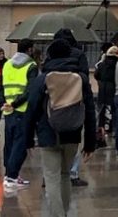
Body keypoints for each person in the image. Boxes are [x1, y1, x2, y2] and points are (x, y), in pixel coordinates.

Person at [24, 39, 96, 217]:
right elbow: (90, 111)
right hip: (72, 134)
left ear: (50, 55)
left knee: (51, 177)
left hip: (48, 135)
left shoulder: (42, 80)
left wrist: (27, 139)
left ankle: (58, 215)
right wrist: (90, 143)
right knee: (65, 175)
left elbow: (31, 110)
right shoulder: (81, 79)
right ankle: (64, 211)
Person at [52, 29, 89, 187]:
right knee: (74, 140)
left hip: (54, 102)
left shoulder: (52, 54)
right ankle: (72, 174)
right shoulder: (79, 55)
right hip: (74, 101)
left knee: (53, 141)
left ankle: (51, 175)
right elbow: (85, 77)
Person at [0, 38, 37, 190]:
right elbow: (30, 90)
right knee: (19, 145)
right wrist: (15, 104)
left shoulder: (7, 64)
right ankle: (12, 177)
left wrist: (5, 103)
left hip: (8, 109)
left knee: (9, 143)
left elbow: (1, 85)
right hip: (22, 110)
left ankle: (9, 174)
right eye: (32, 48)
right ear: (29, 50)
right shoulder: (31, 66)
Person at [93, 46, 118, 137]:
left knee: (101, 109)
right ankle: (114, 127)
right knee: (114, 109)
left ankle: (101, 127)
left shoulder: (101, 64)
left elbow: (96, 75)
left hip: (103, 88)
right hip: (113, 88)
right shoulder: (117, 64)